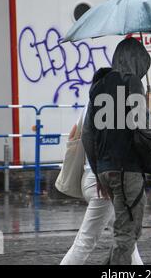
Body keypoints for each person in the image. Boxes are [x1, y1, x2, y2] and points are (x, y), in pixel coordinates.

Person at [81, 38, 151, 265]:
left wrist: (98, 168)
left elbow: (87, 134)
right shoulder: (132, 82)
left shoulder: (98, 85)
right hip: (127, 169)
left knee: (126, 231)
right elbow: (140, 120)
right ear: (138, 61)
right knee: (127, 233)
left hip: (105, 170)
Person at [60, 98, 143, 265]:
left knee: (126, 237)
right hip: (105, 184)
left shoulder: (90, 101)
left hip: (88, 178)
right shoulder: (119, 105)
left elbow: (74, 133)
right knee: (85, 241)